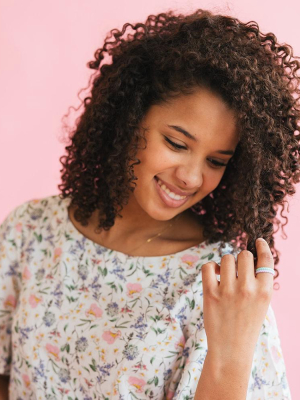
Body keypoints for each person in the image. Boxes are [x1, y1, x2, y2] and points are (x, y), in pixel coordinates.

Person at [0, 8, 298, 400]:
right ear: (129, 117)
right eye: (176, 143)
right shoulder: (32, 231)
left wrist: (231, 353)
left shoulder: (222, 283)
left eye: (216, 161)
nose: (191, 177)